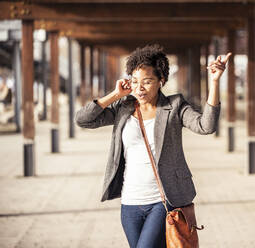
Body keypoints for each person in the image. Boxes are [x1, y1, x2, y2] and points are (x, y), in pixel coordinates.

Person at [75, 44, 231, 248]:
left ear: (161, 81)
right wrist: (115, 94)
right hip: (130, 203)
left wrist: (215, 82)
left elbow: (206, 126)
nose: (139, 88)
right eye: (135, 81)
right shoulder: (123, 107)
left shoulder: (174, 106)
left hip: (163, 200)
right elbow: (83, 120)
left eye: (147, 82)